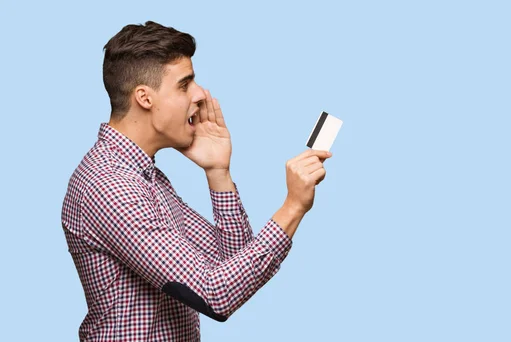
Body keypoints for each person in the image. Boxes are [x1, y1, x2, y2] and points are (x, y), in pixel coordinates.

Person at [61, 21, 331, 341]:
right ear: (145, 98)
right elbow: (214, 295)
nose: (200, 94)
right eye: (184, 84)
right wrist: (293, 207)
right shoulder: (111, 186)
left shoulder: (145, 176)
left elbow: (231, 266)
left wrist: (218, 172)